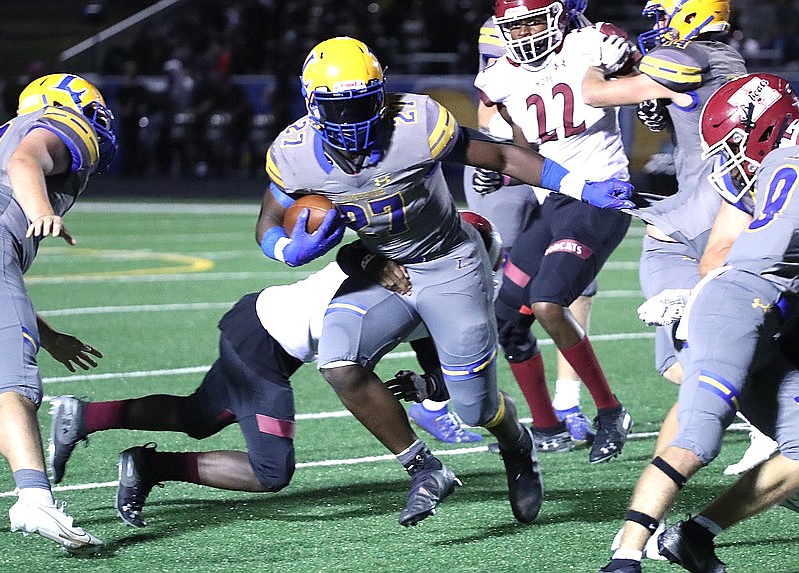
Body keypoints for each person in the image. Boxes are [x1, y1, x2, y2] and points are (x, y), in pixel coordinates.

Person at [256, 36, 634, 527]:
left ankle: (517, 443)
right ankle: (423, 469)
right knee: (339, 362)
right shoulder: (292, 152)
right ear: (312, 104)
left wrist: (583, 186)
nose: (351, 120)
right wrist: (286, 249)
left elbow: (499, 158)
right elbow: (269, 216)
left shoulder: (416, 124)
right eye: (336, 107)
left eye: (362, 104)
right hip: (384, 271)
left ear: (381, 94)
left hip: (449, 264)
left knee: (474, 409)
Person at [48, 216, 502, 527]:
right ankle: (152, 464)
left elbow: (450, 374)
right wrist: (373, 261)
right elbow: (351, 255)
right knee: (270, 471)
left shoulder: (432, 298)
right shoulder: (403, 268)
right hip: (263, 340)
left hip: (264, 330)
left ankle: (84, 417)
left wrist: (425, 384)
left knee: (198, 418)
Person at [582, 0, 773, 532]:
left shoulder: (697, 56)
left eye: (665, 13)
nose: (658, 25)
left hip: (715, 218)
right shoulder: (715, 58)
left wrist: (589, 58)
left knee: (703, 359)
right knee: (677, 366)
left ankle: (647, 513)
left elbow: (594, 93)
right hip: (687, 214)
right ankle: (767, 418)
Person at [600, 72, 799, 573]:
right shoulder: (767, 167)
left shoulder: (779, 164)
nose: (731, 157)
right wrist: (699, 300)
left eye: (735, 142)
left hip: (780, 321)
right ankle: (625, 554)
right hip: (737, 305)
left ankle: (693, 535)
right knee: (700, 434)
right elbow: (718, 257)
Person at [475, 0, 638, 463]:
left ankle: (611, 411)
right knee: (507, 317)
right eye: (515, 25)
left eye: (532, 21)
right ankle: (547, 428)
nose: (525, 33)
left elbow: (644, 74)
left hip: (598, 199)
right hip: (553, 204)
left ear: (556, 17)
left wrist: (627, 60)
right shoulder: (500, 77)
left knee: (548, 302)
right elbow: (524, 142)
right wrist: (505, 167)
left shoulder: (591, 43)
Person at [460, 4, 597, 448]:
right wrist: (503, 162)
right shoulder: (511, 26)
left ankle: (568, 402)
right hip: (514, 164)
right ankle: (443, 397)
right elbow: (492, 112)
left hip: (566, 168)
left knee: (576, 283)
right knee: (494, 284)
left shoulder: (585, 33)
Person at [0, 73, 117, 554]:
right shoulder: (60, 123)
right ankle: (33, 497)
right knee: (12, 385)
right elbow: (26, 158)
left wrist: (47, 335)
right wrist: (41, 209)